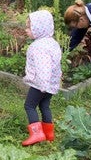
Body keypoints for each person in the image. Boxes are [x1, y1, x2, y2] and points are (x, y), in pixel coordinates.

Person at [21, 9, 62, 146]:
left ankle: (37, 134)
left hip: (41, 84)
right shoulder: (52, 43)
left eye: (29, 27)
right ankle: (49, 133)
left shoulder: (39, 47)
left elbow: (43, 67)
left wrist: (43, 85)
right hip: (52, 83)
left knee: (29, 106)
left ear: (39, 28)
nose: (26, 30)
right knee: (44, 106)